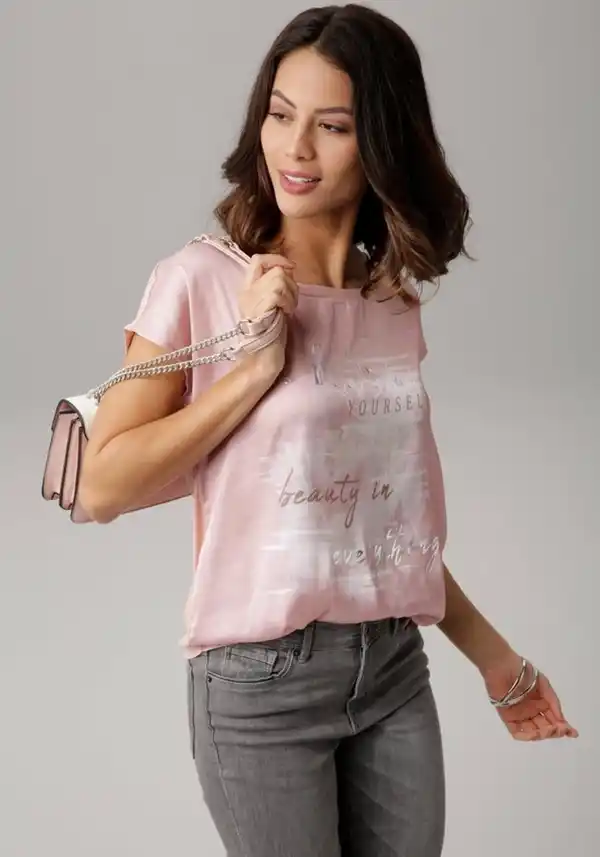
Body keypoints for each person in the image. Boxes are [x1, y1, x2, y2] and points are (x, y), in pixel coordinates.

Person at [78, 4, 578, 856]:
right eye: (280, 115)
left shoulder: (391, 306)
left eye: (332, 126)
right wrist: (253, 369)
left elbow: (386, 531)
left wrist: (496, 659)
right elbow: (100, 488)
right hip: (259, 685)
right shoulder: (200, 280)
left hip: (392, 668)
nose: (295, 148)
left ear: (380, 140)